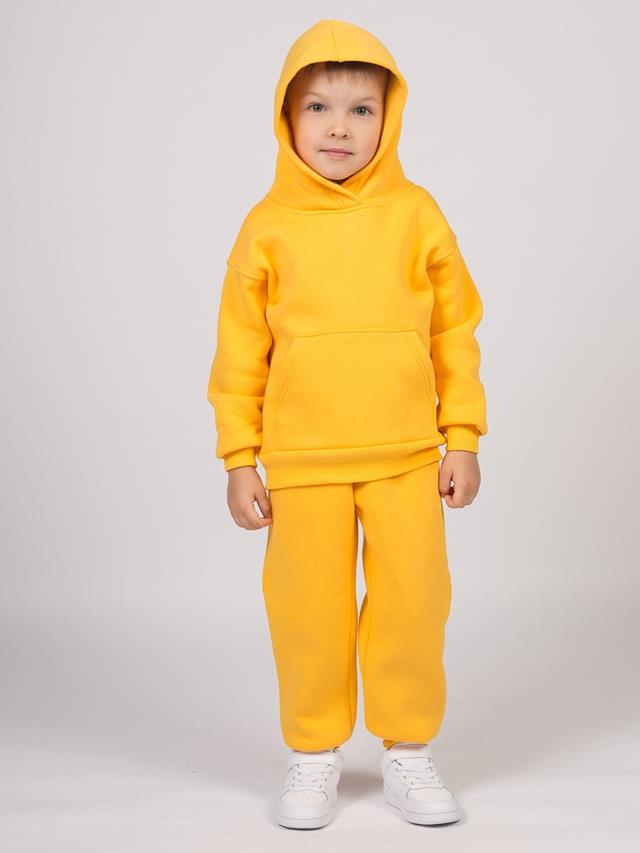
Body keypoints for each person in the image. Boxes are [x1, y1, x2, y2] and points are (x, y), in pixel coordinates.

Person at [206, 18, 488, 830]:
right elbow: (240, 351)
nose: (339, 127)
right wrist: (240, 456)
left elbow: (454, 332)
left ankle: (408, 749)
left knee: (414, 603)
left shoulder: (417, 214)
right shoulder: (267, 225)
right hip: (302, 462)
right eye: (318, 107)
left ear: (389, 118)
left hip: (408, 456)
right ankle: (313, 752)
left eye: (361, 109)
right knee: (306, 611)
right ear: (286, 118)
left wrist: (462, 436)